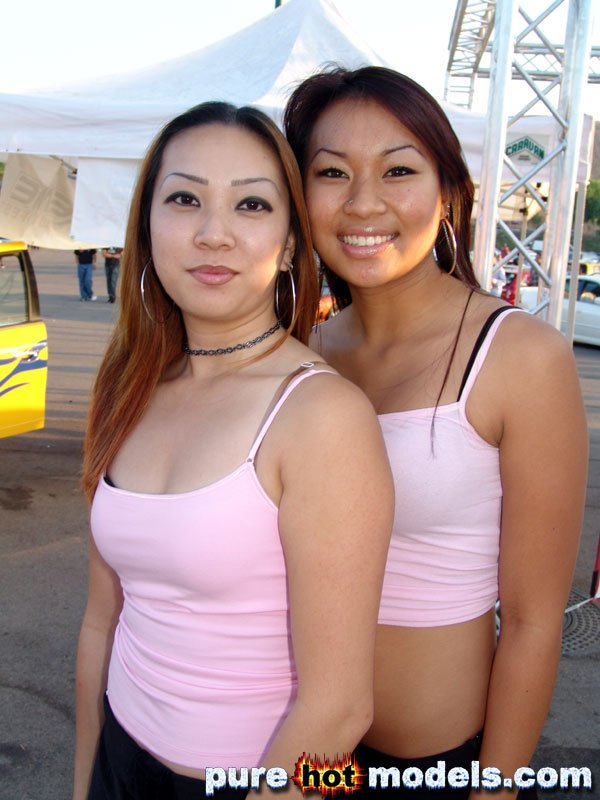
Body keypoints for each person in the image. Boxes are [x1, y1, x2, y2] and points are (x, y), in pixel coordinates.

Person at [73, 101, 394, 800]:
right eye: (184, 199)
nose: (212, 233)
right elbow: (103, 621)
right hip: (118, 758)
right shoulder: (130, 385)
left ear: (290, 244)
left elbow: (340, 710)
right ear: (146, 225)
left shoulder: (321, 416)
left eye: (251, 205)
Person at [284, 66, 588, 799]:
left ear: (448, 190)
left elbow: (533, 621)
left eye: (398, 170)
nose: (364, 202)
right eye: (332, 172)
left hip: (436, 769)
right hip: (298, 763)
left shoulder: (521, 357)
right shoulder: (298, 355)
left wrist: (495, 788)